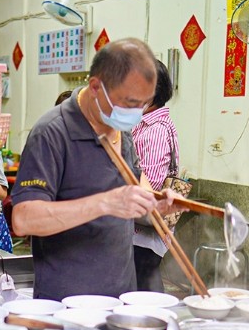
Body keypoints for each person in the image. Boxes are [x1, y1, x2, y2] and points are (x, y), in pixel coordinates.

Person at [10, 38, 177, 301]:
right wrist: (105, 203)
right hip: (67, 302)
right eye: (129, 103)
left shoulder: (121, 131)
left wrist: (157, 204)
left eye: (144, 104)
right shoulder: (52, 132)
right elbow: (23, 219)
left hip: (121, 296)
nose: (137, 113)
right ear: (96, 86)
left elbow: (138, 185)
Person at [131, 60, 180, 292]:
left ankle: (156, 326)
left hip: (145, 231)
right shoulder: (143, 124)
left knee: (144, 288)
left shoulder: (156, 130)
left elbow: (149, 185)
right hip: (135, 228)